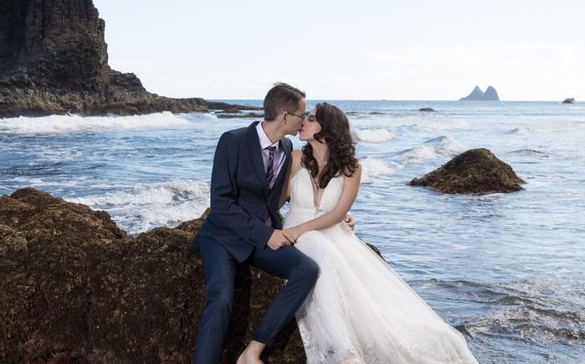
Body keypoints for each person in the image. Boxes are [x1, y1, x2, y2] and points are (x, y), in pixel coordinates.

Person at [281, 102, 479, 364]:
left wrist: (309, 227)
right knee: (326, 256)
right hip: (298, 233)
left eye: (312, 118)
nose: (303, 121)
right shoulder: (294, 158)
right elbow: (276, 200)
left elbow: (339, 213)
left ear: (327, 130)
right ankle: (341, 353)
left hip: (326, 232)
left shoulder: (352, 167)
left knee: (360, 287)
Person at [191, 82, 319, 364]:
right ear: (285, 116)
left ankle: (253, 350)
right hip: (223, 237)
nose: (303, 121)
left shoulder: (286, 146)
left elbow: (281, 197)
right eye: (302, 115)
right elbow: (221, 204)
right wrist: (266, 234)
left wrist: (332, 215)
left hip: (260, 242)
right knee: (221, 298)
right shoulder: (232, 141)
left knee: (307, 269)